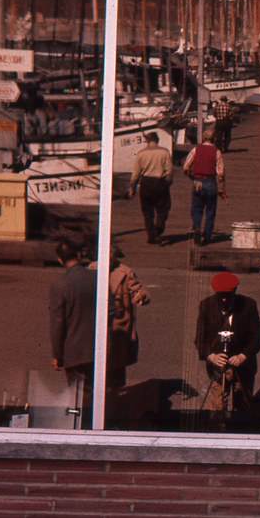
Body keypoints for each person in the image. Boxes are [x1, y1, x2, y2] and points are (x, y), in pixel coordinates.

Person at [194, 272, 260, 412]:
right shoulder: (206, 305)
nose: (224, 301)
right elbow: (200, 339)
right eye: (221, 297)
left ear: (235, 291)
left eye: (228, 297)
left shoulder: (249, 305)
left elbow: (257, 338)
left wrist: (242, 356)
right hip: (218, 368)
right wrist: (211, 356)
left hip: (243, 366)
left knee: (243, 406)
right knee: (217, 405)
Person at [48, 240, 96, 429]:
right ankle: (94, 423)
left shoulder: (60, 285)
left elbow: (57, 323)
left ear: (60, 259)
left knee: (76, 394)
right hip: (97, 347)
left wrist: (57, 355)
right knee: (94, 391)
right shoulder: (96, 278)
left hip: (73, 350)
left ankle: (78, 427)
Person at [90, 247, 150, 392]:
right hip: (97, 323)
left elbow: (140, 290)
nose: (109, 256)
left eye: (111, 253)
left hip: (119, 325)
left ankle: (115, 394)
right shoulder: (91, 269)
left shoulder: (125, 272)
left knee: (115, 368)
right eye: (106, 252)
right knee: (96, 365)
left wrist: (141, 295)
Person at [182, 130, 226, 246]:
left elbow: (186, 167)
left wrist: (192, 177)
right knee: (210, 210)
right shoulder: (217, 152)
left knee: (197, 208)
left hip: (197, 182)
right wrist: (221, 189)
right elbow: (220, 173)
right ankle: (207, 236)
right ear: (214, 139)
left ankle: (197, 227)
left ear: (203, 139)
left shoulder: (196, 150)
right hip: (211, 182)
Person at [130, 131, 173, 245]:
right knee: (163, 208)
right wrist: (168, 184)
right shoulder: (164, 152)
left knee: (147, 211)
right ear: (157, 140)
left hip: (146, 183)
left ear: (147, 141)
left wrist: (132, 188)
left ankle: (151, 234)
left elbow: (135, 174)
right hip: (160, 182)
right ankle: (158, 228)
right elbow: (169, 171)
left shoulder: (141, 154)